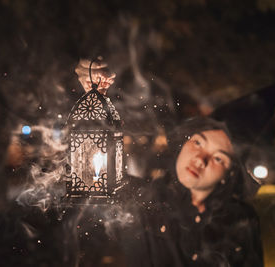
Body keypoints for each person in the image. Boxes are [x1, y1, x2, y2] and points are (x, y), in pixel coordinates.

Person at [74, 59, 264, 267]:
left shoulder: (240, 219)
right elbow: (90, 177)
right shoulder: (143, 201)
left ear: (230, 173)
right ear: (183, 144)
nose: (201, 160)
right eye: (198, 143)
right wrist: (95, 98)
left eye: (219, 158)